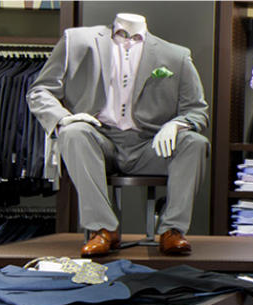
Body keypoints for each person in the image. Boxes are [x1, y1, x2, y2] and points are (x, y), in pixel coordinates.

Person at [27, 12, 209, 256]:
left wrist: (177, 124)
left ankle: (172, 230)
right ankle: (103, 229)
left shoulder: (176, 55)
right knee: (73, 133)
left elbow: (196, 110)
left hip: (150, 146)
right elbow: (40, 91)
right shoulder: (77, 41)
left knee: (194, 142)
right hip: (100, 139)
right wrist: (64, 118)